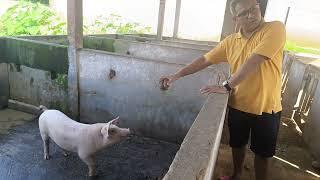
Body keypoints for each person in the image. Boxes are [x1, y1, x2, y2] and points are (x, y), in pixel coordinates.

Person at [159, 0, 286, 179]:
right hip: (238, 103)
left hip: (267, 106)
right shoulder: (230, 41)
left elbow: (255, 60)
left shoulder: (274, 29)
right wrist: (176, 76)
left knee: (263, 153)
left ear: (259, 7)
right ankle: (237, 174)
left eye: (254, 8)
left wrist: (227, 85)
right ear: (236, 18)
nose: (251, 15)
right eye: (244, 13)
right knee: (237, 144)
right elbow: (205, 60)